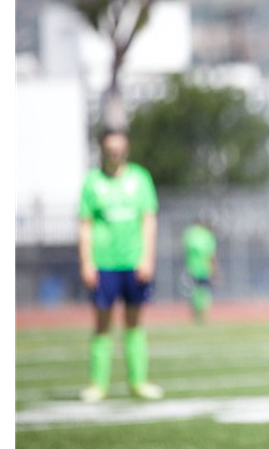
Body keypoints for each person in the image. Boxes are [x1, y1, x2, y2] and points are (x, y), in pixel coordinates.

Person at [77, 129, 164, 402]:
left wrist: (147, 258)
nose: (115, 153)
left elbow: (149, 220)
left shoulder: (140, 178)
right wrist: (87, 262)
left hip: (134, 263)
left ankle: (138, 382)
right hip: (103, 264)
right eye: (110, 149)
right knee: (102, 324)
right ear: (103, 151)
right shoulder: (93, 181)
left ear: (126, 150)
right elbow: (85, 224)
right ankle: (97, 384)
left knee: (134, 324)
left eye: (119, 149)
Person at [182, 219, 219, 324]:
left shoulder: (190, 233)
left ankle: (195, 313)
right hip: (204, 268)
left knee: (194, 291)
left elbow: (186, 250)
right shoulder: (207, 235)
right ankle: (203, 314)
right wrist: (215, 269)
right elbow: (211, 254)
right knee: (204, 291)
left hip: (191, 267)